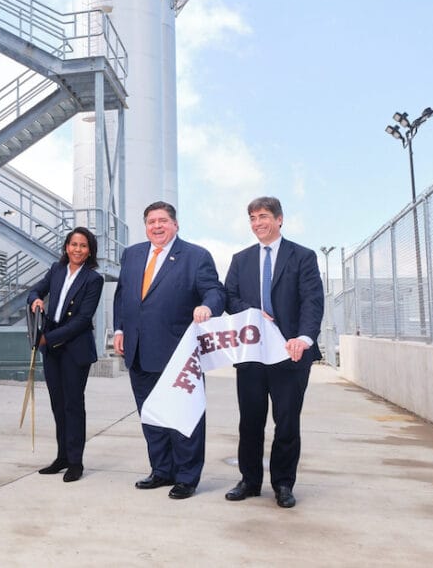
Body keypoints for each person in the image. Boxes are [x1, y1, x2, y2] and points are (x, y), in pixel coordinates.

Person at [113, 201, 225, 499]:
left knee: (183, 415)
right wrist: (120, 329)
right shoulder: (132, 254)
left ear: (175, 224)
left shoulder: (195, 256)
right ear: (145, 226)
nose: (157, 226)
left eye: (163, 220)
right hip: (138, 349)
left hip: (179, 353)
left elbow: (215, 291)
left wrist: (207, 306)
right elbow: (123, 294)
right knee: (152, 415)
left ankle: (187, 477)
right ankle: (161, 470)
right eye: (151, 221)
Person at [223, 196, 323, 508]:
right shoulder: (240, 259)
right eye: (252, 218)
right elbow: (229, 297)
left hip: (290, 355)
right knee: (250, 421)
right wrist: (252, 312)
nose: (257, 223)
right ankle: (250, 481)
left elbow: (312, 301)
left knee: (287, 422)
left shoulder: (302, 257)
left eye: (263, 216)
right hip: (253, 354)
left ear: (279, 219)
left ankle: (283, 484)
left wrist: (303, 338)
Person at [26, 227, 104, 483]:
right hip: (51, 349)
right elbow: (34, 291)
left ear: (89, 250)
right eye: (73, 244)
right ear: (66, 247)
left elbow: (83, 319)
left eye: (83, 246)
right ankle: (61, 456)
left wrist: (51, 338)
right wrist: (36, 299)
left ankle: (75, 461)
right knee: (57, 404)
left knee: (73, 405)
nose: (77, 249)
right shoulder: (56, 269)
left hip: (74, 348)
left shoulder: (93, 279)